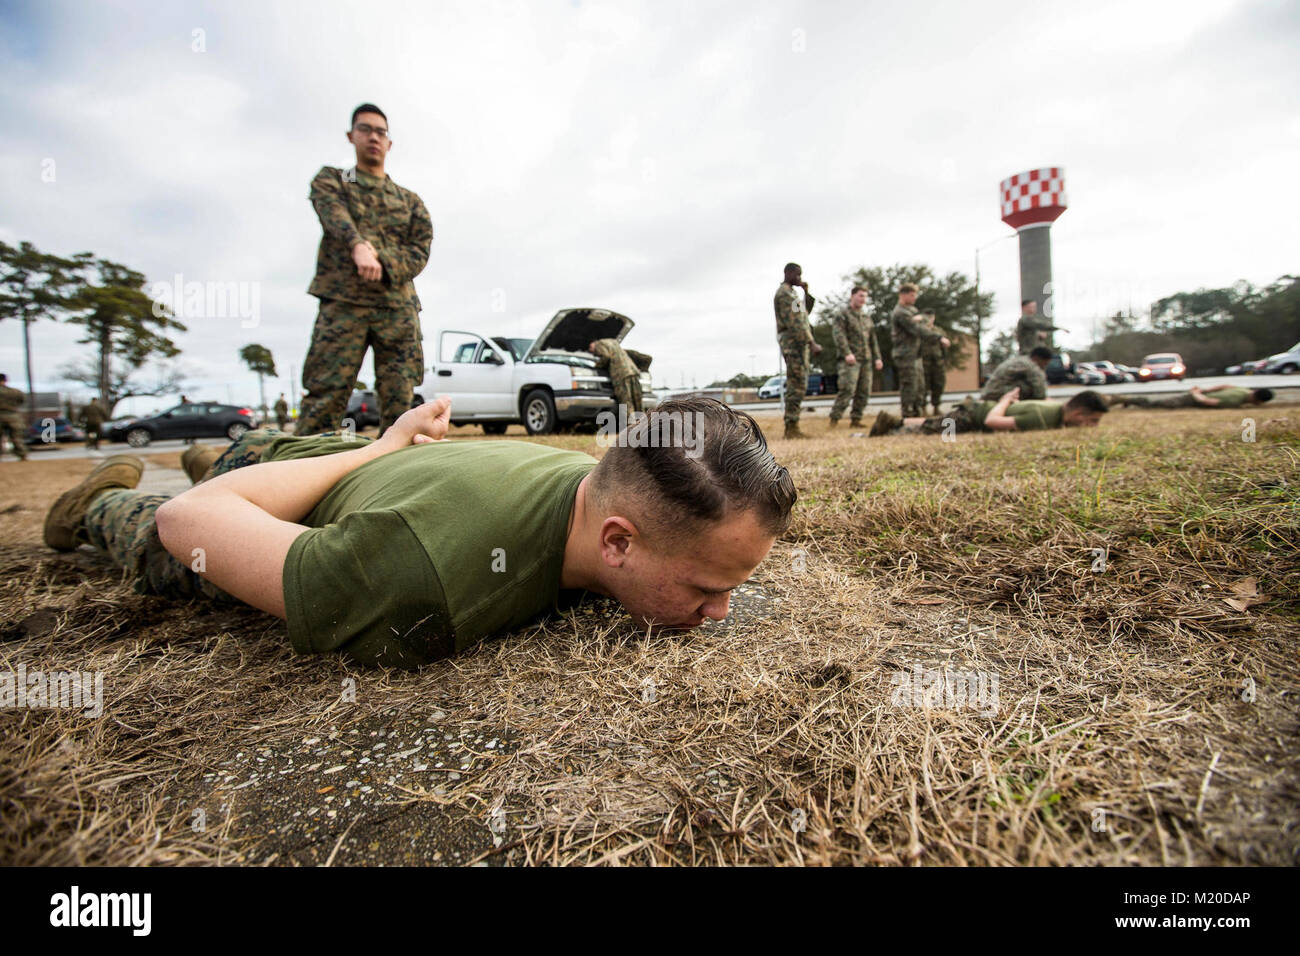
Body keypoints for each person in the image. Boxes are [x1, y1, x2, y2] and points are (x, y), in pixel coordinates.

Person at [41, 398, 795, 670]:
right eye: (708, 588)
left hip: (324, 462)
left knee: (245, 464)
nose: (721, 611)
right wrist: (379, 448)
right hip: (288, 480)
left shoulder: (588, 483)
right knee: (154, 540)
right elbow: (191, 519)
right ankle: (93, 506)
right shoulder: (419, 585)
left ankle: (224, 453)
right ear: (618, 542)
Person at [297, 103, 433, 438]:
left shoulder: (409, 201)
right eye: (365, 129)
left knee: (400, 405)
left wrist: (381, 259)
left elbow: (419, 251)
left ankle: (394, 478)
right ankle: (297, 479)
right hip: (344, 304)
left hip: (397, 309)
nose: (373, 137)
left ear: (389, 143)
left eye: (380, 132)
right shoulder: (333, 181)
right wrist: (357, 245)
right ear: (351, 136)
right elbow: (332, 215)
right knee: (325, 397)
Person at [870, 388, 1107, 437]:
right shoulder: (1042, 417)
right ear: (1078, 413)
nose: (1093, 426)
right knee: (929, 429)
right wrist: (1004, 400)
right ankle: (888, 428)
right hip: (972, 416)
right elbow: (992, 421)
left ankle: (895, 420)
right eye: (1092, 420)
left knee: (933, 422)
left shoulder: (1054, 407)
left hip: (970, 409)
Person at [773, 263, 821, 439]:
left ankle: (793, 425)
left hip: (799, 344)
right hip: (794, 344)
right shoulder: (784, 294)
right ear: (788, 273)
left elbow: (804, 315)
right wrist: (812, 342)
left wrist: (806, 292)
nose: (800, 278)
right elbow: (795, 323)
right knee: (796, 384)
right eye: (797, 275)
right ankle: (791, 427)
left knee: (800, 383)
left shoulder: (793, 293)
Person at [827, 285, 882, 429]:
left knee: (864, 391)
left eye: (865, 296)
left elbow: (873, 340)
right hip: (850, 360)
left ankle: (856, 419)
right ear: (852, 296)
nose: (863, 299)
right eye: (860, 295)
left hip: (866, 359)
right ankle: (834, 419)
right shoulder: (843, 315)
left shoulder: (866, 318)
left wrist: (877, 357)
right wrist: (847, 353)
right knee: (847, 389)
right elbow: (839, 336)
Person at [890, 283, 948, 418]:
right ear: (903, 295)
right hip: (905, 354)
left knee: (920, 386)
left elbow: (923, 323)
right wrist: (938, 337)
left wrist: (918, 319)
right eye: (912, 295)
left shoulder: (912, 310)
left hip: (916, 354)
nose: (914, 298)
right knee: (909, 385)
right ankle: (908, 414)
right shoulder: (901, 312)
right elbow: (917, 329)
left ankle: (917, 413)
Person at [588, 339, 645, 413]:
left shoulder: (599, 344)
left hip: (620, 374)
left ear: (591, 345)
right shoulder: (613, 342)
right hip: (632, 371)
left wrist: (596, 367)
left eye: (592, 351)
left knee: (626, 402)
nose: (593, 353)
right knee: (637, 401)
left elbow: (606, 357)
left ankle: (631, 424)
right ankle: (643, 422)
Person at [1111, 385, 1273, 409]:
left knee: (1154, 403)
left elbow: (1223, 386)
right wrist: (1196, 393)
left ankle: (1127, 400)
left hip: (1195, 394)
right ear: (1257, 400)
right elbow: (1207, 402)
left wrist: (1203, 389)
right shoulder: (1235, 401)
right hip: (1189, 399)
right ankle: (1123, 399)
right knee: (1153, 403)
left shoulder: (1241, 389)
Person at [981, 347, 1052, 402]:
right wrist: (1043, 399)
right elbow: (1039, 387)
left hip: (992, 391)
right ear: (1038, 359)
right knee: (1027, 387)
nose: (1045, 367)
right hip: (996, 393)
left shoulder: (1022, 360)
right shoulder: (1030, 365)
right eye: (1045, 364)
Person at [919, 312, 949, 416]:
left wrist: (944, 360)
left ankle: (936, 407)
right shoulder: (921, 330)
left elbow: (944, 348)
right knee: (923, 386)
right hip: (924, 362)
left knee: (939, 384)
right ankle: (923, 408)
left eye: (931, 317)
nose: (929, 319)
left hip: (937, 362)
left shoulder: (939, 331)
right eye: (927, 317)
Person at [0, 373, 29, 461]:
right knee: (17, 437)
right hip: (13, 416)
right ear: (5, 380)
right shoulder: (16, 392)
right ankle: (22, 455)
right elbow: (22, 400)